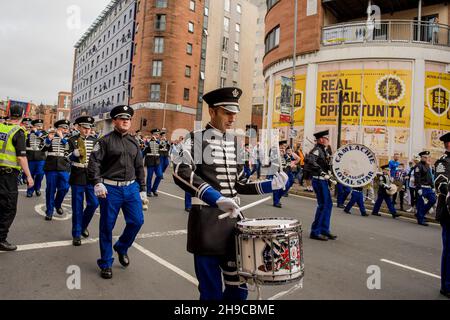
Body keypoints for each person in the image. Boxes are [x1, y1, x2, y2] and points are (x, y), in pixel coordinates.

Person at [172, 87, 288, 300]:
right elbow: (180, 170)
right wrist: (216, 198)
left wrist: (270, 184)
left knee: (239, 289)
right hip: (206, 223)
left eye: (234, 113)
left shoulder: (236, 144)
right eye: (227, 112)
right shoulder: (195, 138)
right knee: (211, 293)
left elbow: (240, 184)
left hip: (234, 226)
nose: (232, 117)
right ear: (212, 111)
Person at [87, 105, 146, 280]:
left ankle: (121, 246)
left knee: (137, 221)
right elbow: (94, 163)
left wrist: (142, 189)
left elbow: (139, 167)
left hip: (131, 188)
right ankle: (106, 262)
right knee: (107, 226)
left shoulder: (134, 141)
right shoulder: (104, 141)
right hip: (110, 189)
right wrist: (97, 182)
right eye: (121, 118)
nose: (125, 121)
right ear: (114, 121)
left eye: (128, 118)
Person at [0, 105, 34, 251]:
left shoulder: (1, 127)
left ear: (8, 113)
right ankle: (1, 239)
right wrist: (29, 176)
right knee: (8, 207)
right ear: (22, 115)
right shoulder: (19, 132)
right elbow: (21, 157)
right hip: (7, 176)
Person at [68, 116, 99, 246]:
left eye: (89, 128)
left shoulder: (95, 140)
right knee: (77, 206)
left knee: (93, 203)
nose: (87, 130)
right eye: (85, 127)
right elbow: (65, 157)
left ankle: (82, 226)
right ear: (79, 127)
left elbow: (98, 158)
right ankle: (76, 234)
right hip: (77, 175)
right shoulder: (72, 140)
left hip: (91, 176)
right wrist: (72, 155)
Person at [304, 130, 338, 241]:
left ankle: (324, 229)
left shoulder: (324, 150)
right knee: (323, 205)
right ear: (321, 139)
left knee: (328, 205)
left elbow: (326, 164)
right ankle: (315, 231)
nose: (328, 140)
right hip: (319, 180)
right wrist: (321, 171)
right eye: (326, 138)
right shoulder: (317, 150)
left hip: (324, 180)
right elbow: (309, 160)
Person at [43, 119, 71, 220]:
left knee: (65, 187)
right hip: (51, 166)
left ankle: (57, 204)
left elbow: (69, 149)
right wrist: (48, 140)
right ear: (57, 128)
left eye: (66, 128)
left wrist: (62, 137)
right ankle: (49, 211)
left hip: (63, 166)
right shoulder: (50, 136)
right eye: (62, 128)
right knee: (50, 190)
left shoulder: (69, 138)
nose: (64, 129)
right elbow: (43, 149)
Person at [434, 132, 450, 298]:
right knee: (449, 249)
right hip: (447, 211)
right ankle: (446, 286)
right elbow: (441, 183)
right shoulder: (443, 163)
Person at [414, 151, 437, 226]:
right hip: (422, 188)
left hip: (429, 188)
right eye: (425, 157)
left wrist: (433, 187)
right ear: (421, 157)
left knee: (433, 200)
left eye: (427, 157)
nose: (426, 158)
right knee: (421, 204)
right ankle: (420, 220)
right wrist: (419, 188)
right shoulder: (418, 166)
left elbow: (430, 177)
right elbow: (417, 178)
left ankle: (420, 214)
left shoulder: (427, 165)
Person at [25, 119, 46, 198]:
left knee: (40, 174)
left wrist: (36, 131)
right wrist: (29, 132)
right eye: (38, 125)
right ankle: (30, 190)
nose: (40, 127)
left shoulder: (44, 133)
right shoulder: (28, 133)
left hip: (40, 157)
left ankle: (37, 188)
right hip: (30, 157)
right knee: (30, 175)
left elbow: (44, 139)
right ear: (34, 126)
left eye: (41, 125)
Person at [143, 129, 163, 197]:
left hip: (157, 161)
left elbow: (162, 147)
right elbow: (145, 148)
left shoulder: (159, 141)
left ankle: (154, 189)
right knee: (149, 177)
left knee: (160, 175)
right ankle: (148, 191)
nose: (157, 135)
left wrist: (156, 140)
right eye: (156, 134)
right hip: (150, 161)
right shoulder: (147, 140)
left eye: (158, 134)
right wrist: (151, 140)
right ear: (152, 134)